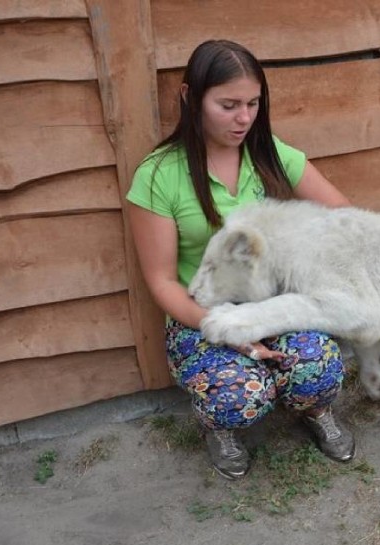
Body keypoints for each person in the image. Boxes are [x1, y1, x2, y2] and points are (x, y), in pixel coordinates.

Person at [126, 39, 355, 479]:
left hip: (268, 302)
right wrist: (231, 333)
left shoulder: (266, 150)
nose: (244, 117)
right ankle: (220, 428)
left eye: (252, 103)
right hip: (202, 314)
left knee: (320, 366)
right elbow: (161, 282)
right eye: (228, 104)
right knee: (237, 397)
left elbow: (343, 217)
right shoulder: (159, 175)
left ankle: (315, 410)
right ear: (190, 97)